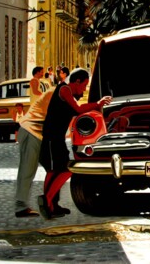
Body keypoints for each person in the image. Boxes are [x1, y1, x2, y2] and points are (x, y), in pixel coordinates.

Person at [38, 68, 112, 219]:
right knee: (66, 169)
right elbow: (77, 109)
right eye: (84, 85)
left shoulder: (67, 92)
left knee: (53, 171)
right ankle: (46, 201)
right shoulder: (65, 89)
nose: (84, 89)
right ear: (77, 81)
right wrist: (97, 103)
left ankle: (52, 205)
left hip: (55, 137)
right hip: (52, 138)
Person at [14, 88, 55, 217]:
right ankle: (21, 207)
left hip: (32, 131)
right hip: (32, 131)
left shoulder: (55, 92)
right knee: (27, 169)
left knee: (31, 169)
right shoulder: (57, 94)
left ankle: (49, 203)